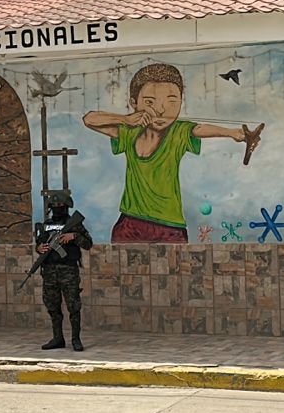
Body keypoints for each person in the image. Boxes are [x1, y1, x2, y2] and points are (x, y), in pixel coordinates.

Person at [82, 63, 264, 243]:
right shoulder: (128, 132)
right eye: (149, 102)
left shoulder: (178, 132)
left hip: (169, 226)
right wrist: (125, 119)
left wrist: (233, 133)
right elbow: (89, 119)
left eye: (172, 102)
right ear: (134, 103)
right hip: (130, 222)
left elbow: (200, 129)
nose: (161, 110)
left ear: (181, 102)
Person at [34, 190, 93, 351]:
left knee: (73, 306)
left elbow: (88, 244)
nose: (57, 207)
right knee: (52, 306)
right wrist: (39, 248)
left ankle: (76, 339)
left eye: (60, 205)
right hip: (49, 271)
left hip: (68, 271)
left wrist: (74, 236)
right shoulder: (46, 225)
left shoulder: (74, 224)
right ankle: (57, 338)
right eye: (54, 205)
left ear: (66, 206)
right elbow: (39, 243)